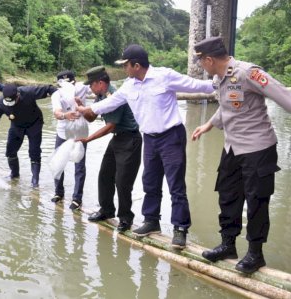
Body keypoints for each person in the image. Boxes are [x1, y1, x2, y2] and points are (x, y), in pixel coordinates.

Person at [190, 36, 291, 274]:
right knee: (228, 196)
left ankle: (255, 254)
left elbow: (282, 95)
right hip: (232, 147)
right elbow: (229, 108)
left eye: (201, 60)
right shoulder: (219, 78)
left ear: (210, 59)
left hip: (258, 149)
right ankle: (228, 245)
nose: (201, 65)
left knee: (257, 201)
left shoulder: (248, 73)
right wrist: (209, 125)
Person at [76, 44, 214, 249]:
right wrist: (86, 109)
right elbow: (110, 103)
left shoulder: (164, 76)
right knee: (150, 181)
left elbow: (196, 85)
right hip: (149, 138)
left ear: (137, 65)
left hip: (171, 136)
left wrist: (221, 83)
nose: (124, 69)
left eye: (126, 65)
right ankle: (151, 221)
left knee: (175, 184)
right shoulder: (129, 85)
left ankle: (180, 228)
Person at [78, 66, 142, 232]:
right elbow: (92, 118)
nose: (90, 88)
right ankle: (106, 210)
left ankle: (126, 218)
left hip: (130, 140)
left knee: (123, 182)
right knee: (104, 175)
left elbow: (109, 126)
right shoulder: (100, 96)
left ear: (100, 83)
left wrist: (88, 139)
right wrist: (82, 108)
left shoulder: (114, 97)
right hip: (117, 139)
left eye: (91, 84)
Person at [0, 83, 58, 188]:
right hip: (17, 126)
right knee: (10, 151)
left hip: (34, 124)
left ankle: (35, 181)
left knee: (34, 152)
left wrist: (60, 101)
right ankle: (14, 175)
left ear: (18, 95)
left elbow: (49, 88)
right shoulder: (0, 103)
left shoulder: (28, 92)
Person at [50, 70, 91, 210]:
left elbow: (98, 89)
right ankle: (58, 193)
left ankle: (77, 198)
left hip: (80, 133)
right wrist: (65, 115)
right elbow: (56, 112)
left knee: (79, 166)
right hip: (62, 133)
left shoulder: (82, 88)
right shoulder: (56, 95)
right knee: (58, 163)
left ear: (74, 82)